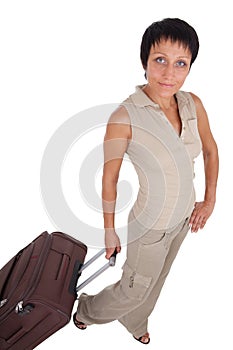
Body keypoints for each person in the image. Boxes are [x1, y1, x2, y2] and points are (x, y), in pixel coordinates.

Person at [73, 18, 219, 345]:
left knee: (156, 282)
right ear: (145, 62)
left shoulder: (192, 104)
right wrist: (109, 230)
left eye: (180, 63)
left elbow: (210, 151)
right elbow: (110, 179)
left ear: (190, 67)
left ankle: (136, 322)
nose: (169, 73)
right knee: (133, 288)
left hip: (182, 219)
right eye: (160, 61)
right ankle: (87, 311)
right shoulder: (125, 116)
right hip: (149, 227)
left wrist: (209, 201)